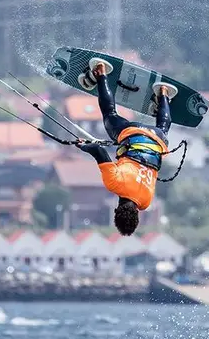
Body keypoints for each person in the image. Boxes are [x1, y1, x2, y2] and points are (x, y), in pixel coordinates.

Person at [75, 57, 177, 236]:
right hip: (132, 133)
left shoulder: (146, 202)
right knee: (110, 115)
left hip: (157, 138)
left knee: (163, 128)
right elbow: (99, 150)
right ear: (116, 211)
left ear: (137, 214)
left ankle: (163, 95)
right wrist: (83, 146)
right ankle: (100, 73)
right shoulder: (114, 184)